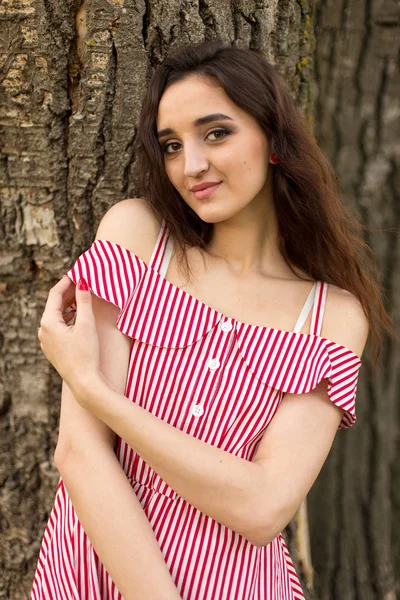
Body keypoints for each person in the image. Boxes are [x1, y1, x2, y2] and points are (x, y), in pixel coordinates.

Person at [30, 39, 393, 600]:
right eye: (171, 145)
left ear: (272, 138)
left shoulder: (330, 315)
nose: (190, 165)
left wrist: (94, 391)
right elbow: (78, 454)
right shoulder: (137, 238)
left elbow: (263, 506)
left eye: (216, 133)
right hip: (89, 579)